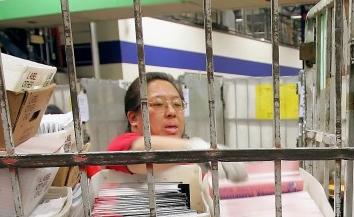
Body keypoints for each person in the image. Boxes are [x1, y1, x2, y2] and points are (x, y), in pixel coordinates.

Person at [105, 72, 247, 182]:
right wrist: (193, 148)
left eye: (177, 104)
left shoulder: (191, 161)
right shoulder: (122, 144)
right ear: (133, 118)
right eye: (158, 104)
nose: (172, 112)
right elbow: (137, 152)